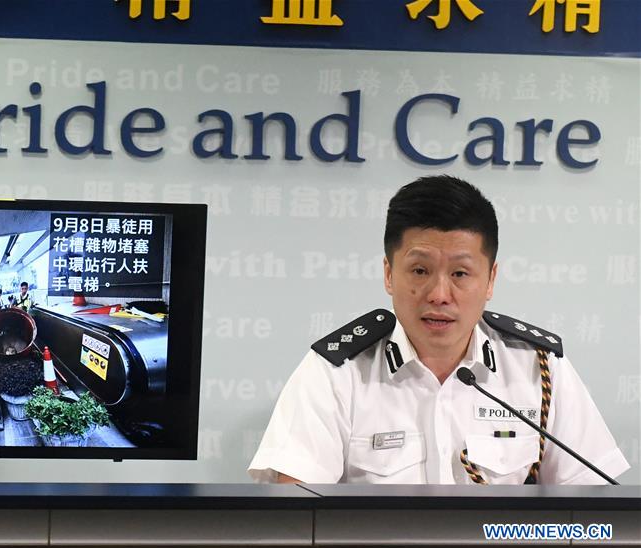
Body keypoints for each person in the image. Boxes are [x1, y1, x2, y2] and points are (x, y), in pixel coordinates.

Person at [248, 175, 629, 485]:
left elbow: (594, 515)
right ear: (388, 274)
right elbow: (296, 519)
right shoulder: (336, 372)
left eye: (461, 273)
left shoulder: (539, 367)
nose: (439, 294)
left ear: (491, 279)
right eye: (419, 271)